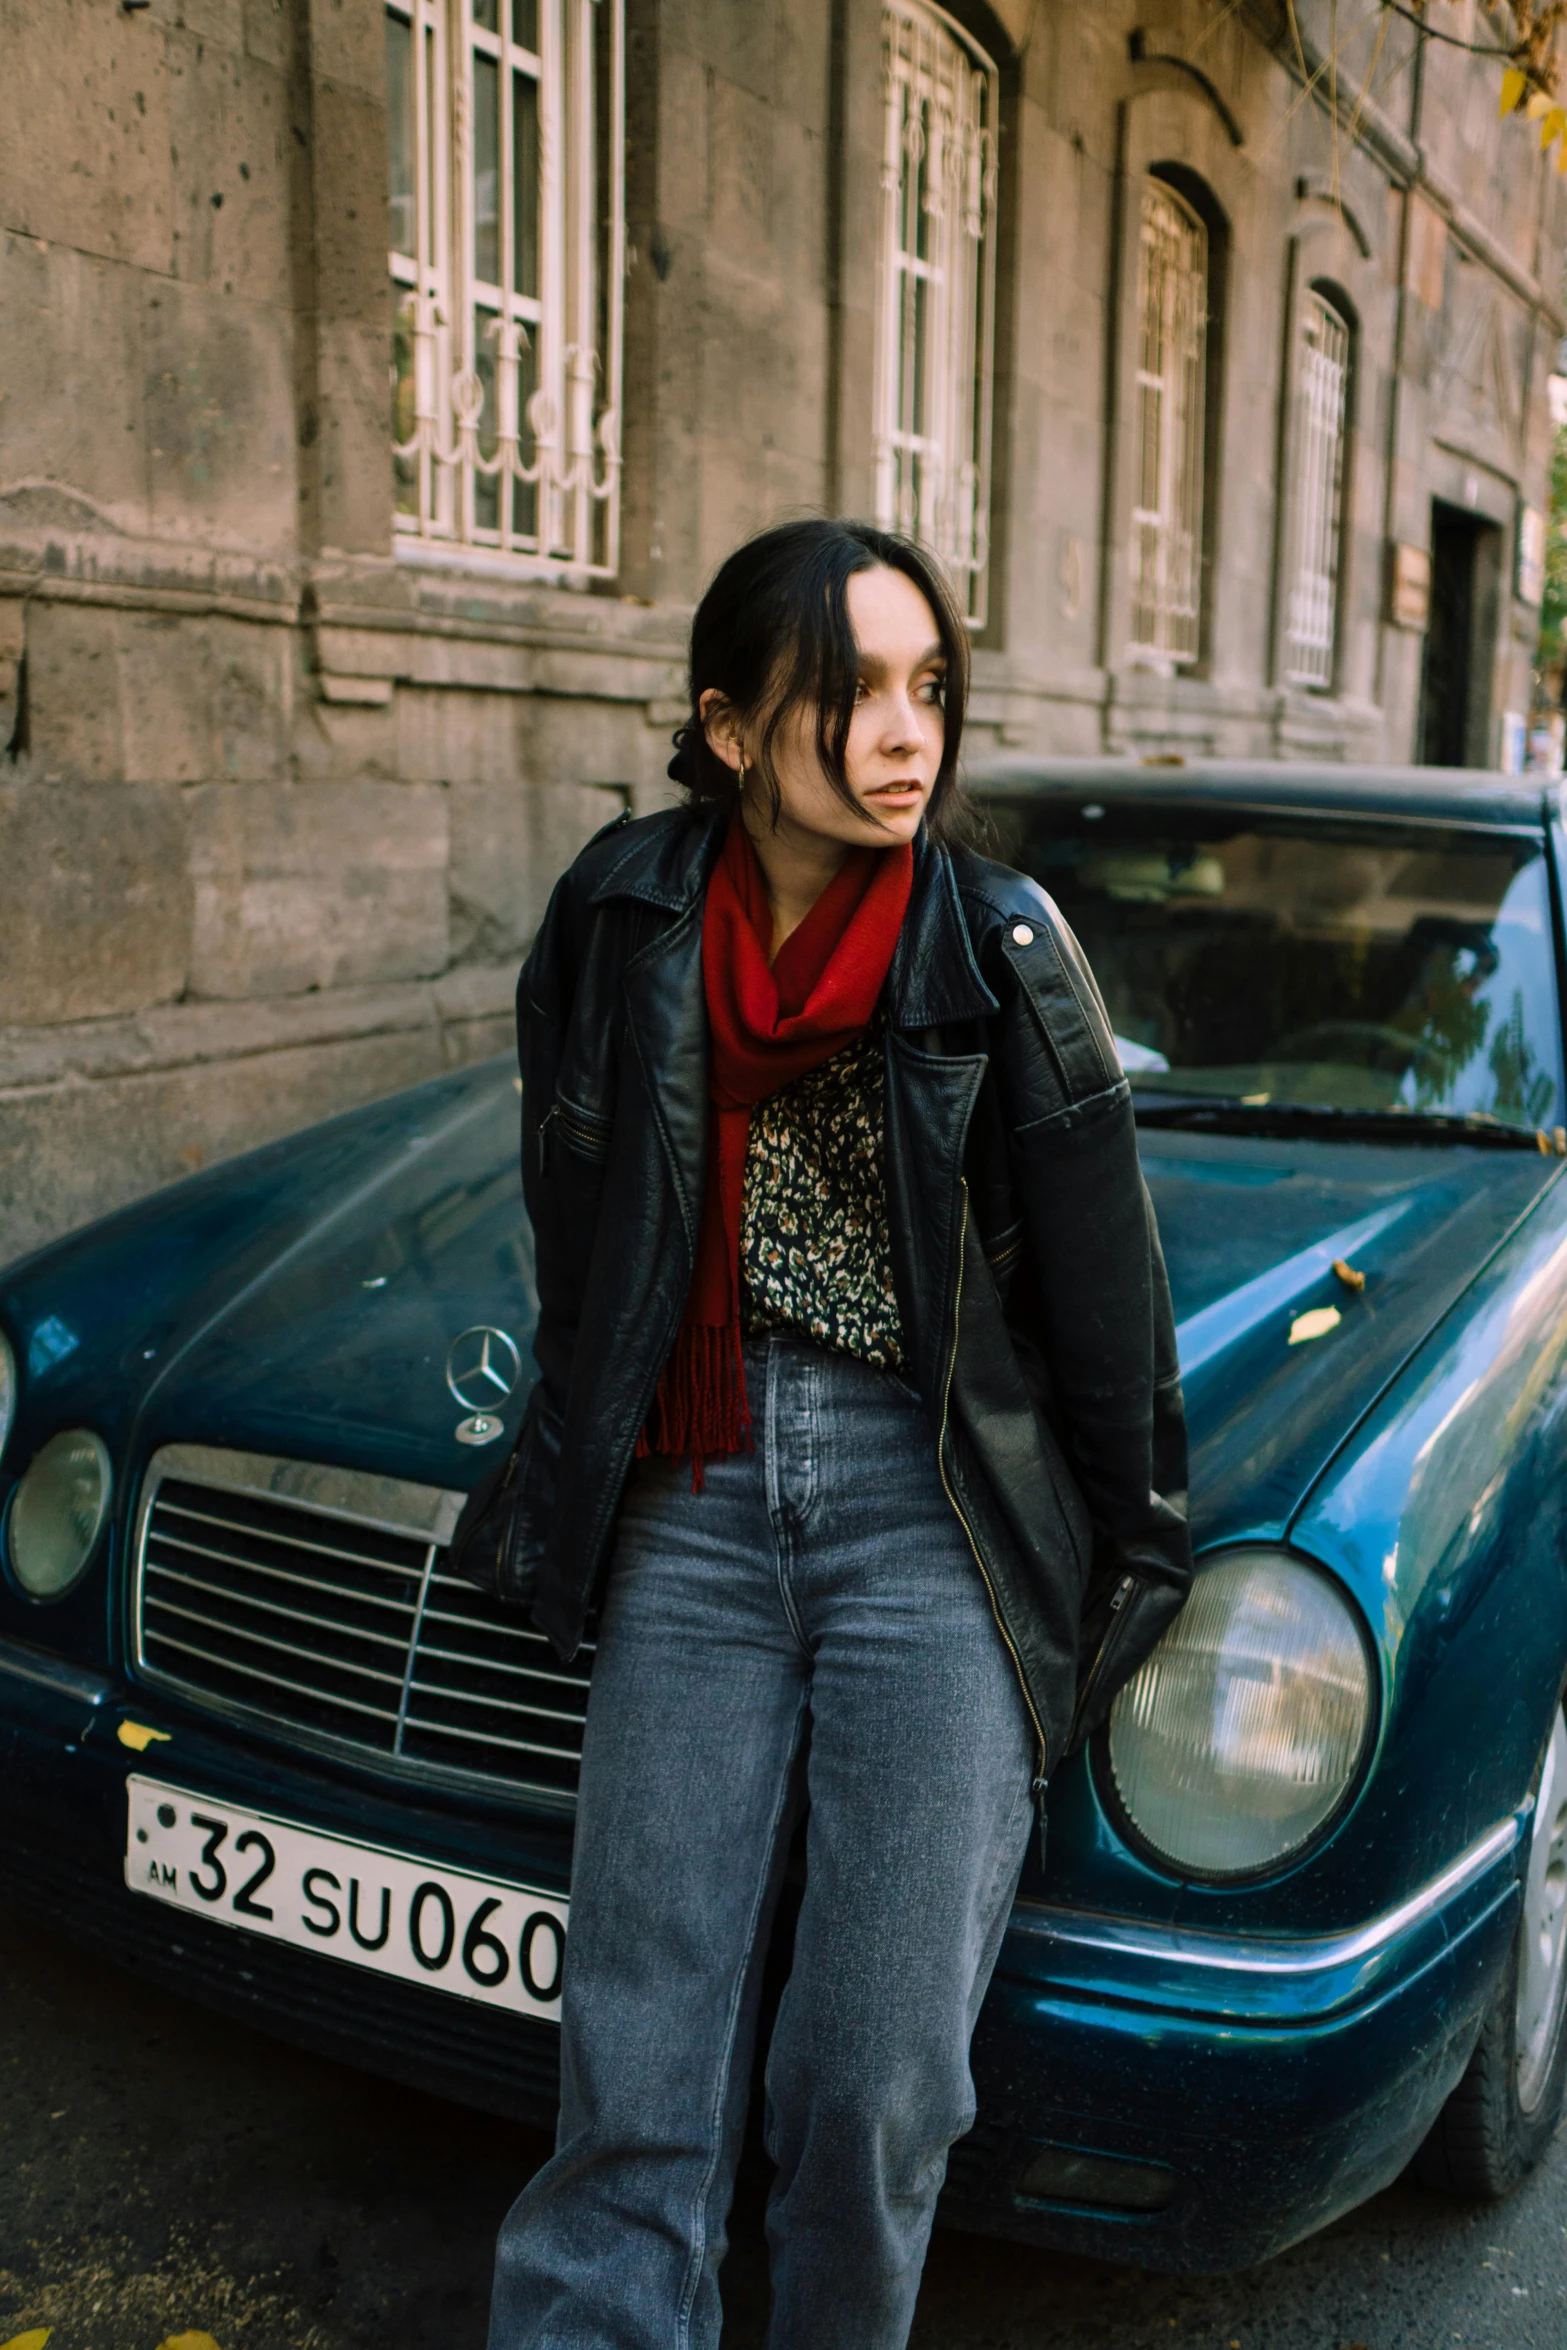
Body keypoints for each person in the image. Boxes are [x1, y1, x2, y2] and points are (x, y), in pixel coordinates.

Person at [458, 517, 1192, 2350]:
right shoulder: (622, 910)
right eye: (850, 689)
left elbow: (1103, 1293)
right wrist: (597, 1434)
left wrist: (1140, 1546)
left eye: (927, 686)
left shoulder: (1001, 942)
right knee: (636, 2052)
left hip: (927, 1512)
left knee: (872, 2081)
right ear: (726, 726)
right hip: (692, 1493)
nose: (902, 731)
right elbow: (584, 1212)